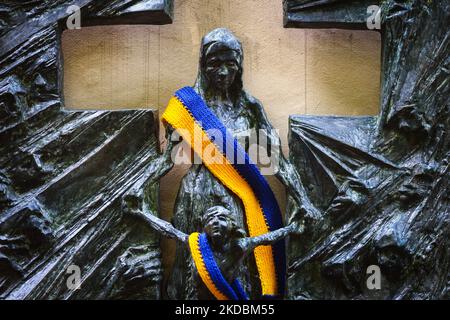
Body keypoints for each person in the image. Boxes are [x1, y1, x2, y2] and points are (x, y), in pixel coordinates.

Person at [123, 201, 303, 299]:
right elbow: (168, 230)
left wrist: (292, 227)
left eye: (222, 219)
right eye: (211, 219)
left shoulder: (239, 247)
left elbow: (268, 238)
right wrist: (139, 213)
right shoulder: (196, 244)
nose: (216, 222)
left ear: (232, 225)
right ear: (204, 226)